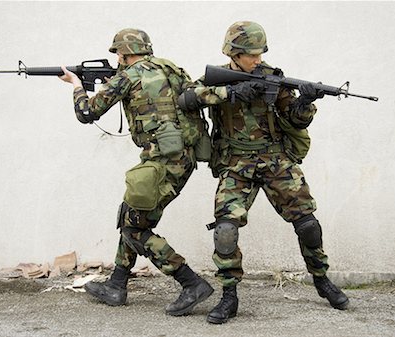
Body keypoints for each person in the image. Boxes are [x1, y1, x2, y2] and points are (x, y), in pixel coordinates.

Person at [177, 21, 349, 324]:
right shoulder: (214, 78)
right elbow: (186, 99)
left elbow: (296, 121)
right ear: (233, 53)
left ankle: (322, 279)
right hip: (235, 164)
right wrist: (231, 94)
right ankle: (229, 295)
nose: (257, 60)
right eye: (251, 55)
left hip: (275, 160)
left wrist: (306, 101)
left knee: (308, 224)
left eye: (260, 53)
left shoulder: (274, 79)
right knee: (225, 230)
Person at [59, 28, 213, 316]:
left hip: (161, 162)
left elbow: (86, 113)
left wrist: (76, 85)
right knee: (130, 212)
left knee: (134, 226)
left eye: (118, 54)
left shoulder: (127, 77)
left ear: (122, 53)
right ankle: (117, 285)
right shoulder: (172, 69)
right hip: (184, 159)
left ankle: (190, 282)